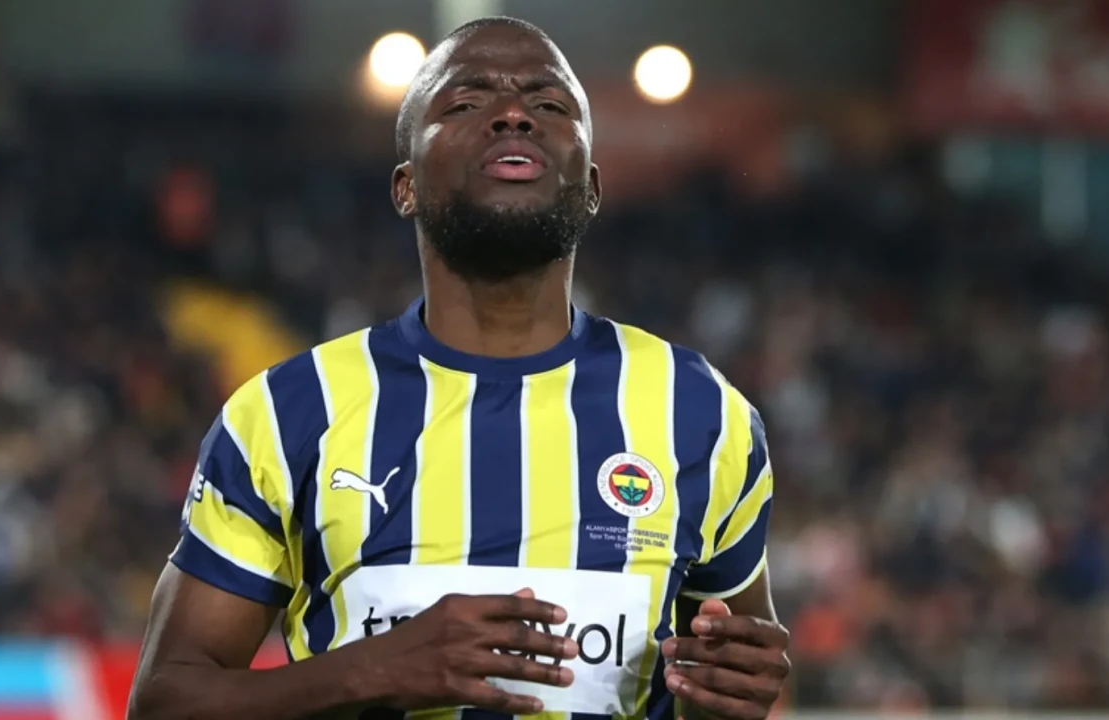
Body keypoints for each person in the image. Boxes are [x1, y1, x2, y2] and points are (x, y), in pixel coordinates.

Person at [128, 16, 789, 720]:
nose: (513, 115)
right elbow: (165, 703)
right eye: (467, 103)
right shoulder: (288, 413)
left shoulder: (702, 416)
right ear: (405, 186)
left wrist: (735, 698)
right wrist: (372, 670)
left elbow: (729, 678)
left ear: (592, 188)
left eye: (549, 104)